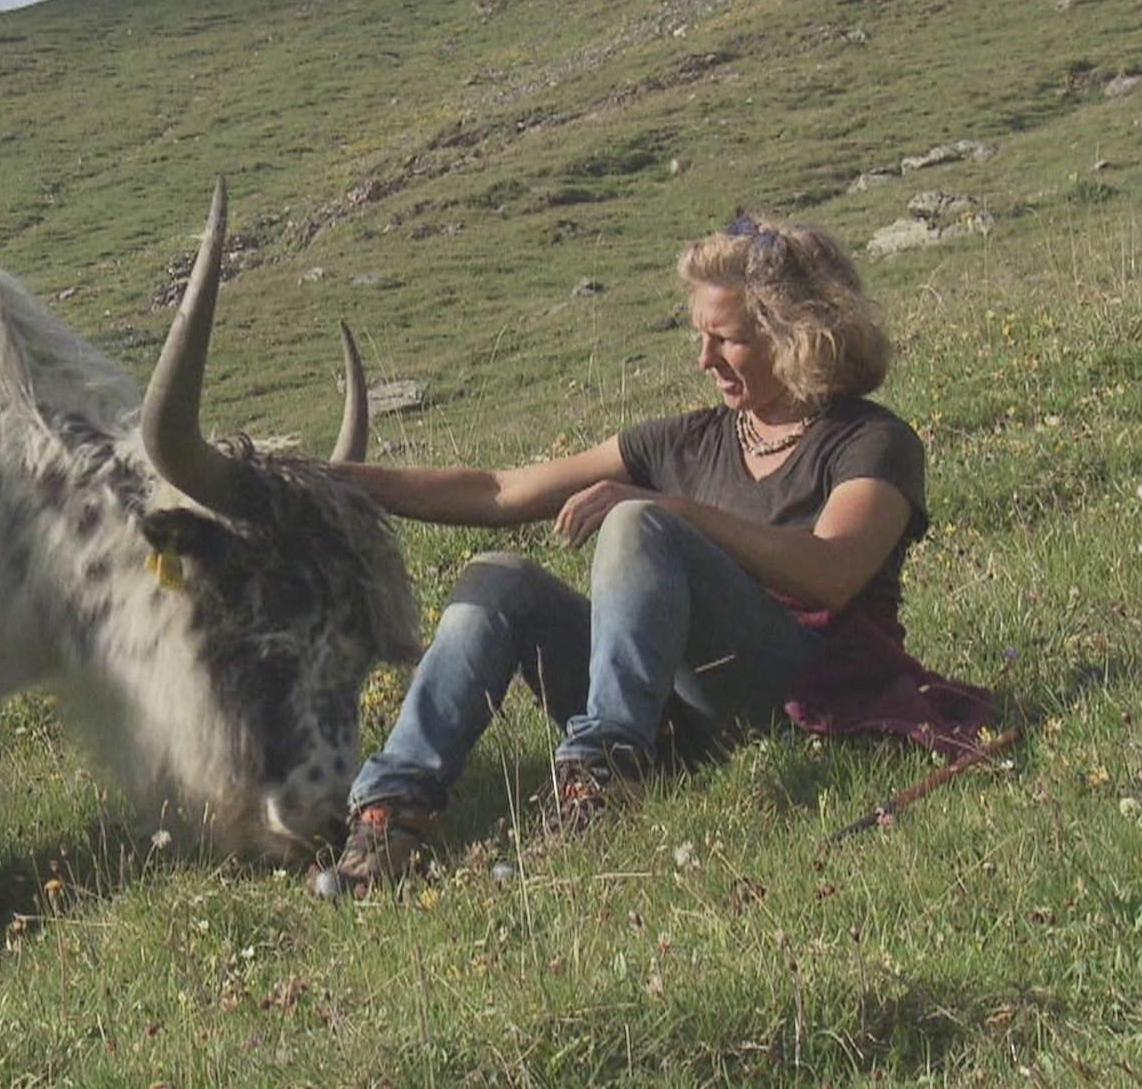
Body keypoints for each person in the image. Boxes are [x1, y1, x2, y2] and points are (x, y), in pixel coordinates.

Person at [313, 213, 992, 898]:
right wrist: (334, 481)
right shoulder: (686, 441)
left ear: (795, 336)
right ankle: (390, 814)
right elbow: (500, 490)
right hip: (674, 711)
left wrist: (675, 512)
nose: (704, 359)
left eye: (727, 339)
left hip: (796, 690)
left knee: (638, 523)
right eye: (700, 336)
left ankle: (597, 788)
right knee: (499, 580)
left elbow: (832, 571)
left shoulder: (872, 443)